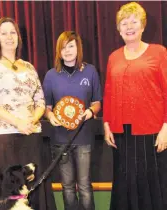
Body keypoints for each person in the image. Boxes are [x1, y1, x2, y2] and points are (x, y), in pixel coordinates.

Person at [0, 17, 56, 210]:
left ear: (18, 37)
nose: (9, 37)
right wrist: (16, 122)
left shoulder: (29, 67)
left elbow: (40, 100)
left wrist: (32, 120)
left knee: (33, 189)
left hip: (30, 135)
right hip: (0, 135)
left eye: (12, 32)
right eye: (3, 33)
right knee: (6, 194)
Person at [103, 2, 167, 210]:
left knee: (153, 184)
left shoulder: (159, 53)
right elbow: (109, 93)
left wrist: (166, 127)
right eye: (124, 23)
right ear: (119, 29)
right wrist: (106, 125)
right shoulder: (113, 57)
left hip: (153, 132)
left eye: (134, 21)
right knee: (125, 182)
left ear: (143, 26)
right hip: (122, 134)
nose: (129, 26)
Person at [43, 31, 102, 210]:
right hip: (60, 140)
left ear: (78, 48)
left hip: (83, 138)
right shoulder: (51, 75)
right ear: (58, 51)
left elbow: (97, 102)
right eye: (63, 47)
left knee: (84, 185)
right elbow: (46, 106)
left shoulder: (90, 71)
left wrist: (91, 111)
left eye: (71, 46)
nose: (67, 51)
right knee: (67, 186)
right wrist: (50, 116)